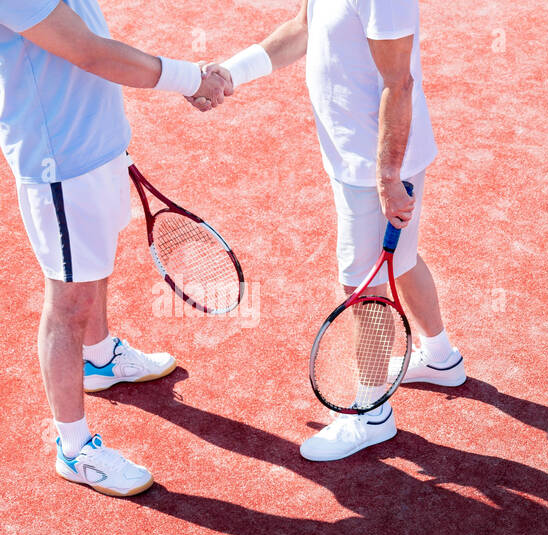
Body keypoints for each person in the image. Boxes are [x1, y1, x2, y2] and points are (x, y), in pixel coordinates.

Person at [202, 0, 465, 462]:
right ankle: (441, 358)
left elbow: (398, 83)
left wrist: (387, 176)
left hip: (375, 164)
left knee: (363, 286)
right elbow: (304, 27)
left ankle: (372, 412)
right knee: (398, 261)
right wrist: (231, 72)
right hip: (354, 156)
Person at [0, 0, 232, 496]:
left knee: (94, 266)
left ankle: (100, 358)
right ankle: (73, 447)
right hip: (58, 164)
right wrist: (189, 77)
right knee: (69, 302)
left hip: (99, 145)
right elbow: (88, 52)